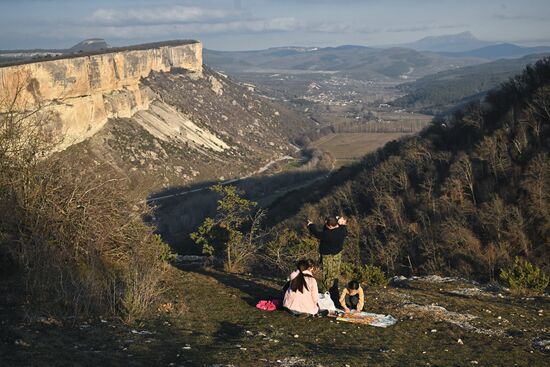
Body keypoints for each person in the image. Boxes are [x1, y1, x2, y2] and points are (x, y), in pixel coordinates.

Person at [307, 216, 348, 301]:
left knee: (327, 274)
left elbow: (316, 233)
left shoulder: (327, 234)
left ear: (329, 226)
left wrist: (311, 225)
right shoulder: (343, 230)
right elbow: (341, 224)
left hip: (327, 256)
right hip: (337, 254)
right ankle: (333, 287)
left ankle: (328, 292)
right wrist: (340, 221)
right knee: (335, 272)